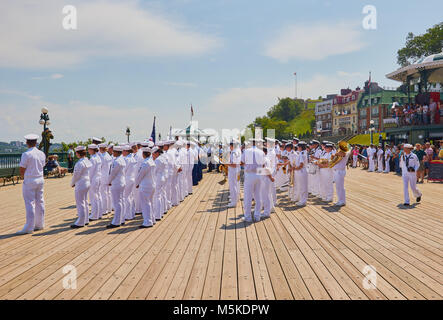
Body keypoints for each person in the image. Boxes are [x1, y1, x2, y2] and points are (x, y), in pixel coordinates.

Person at [18, 134, 46, 234]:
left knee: (30, 203)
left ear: (27, 143)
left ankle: (29, 227)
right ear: (36, 142)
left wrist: (23, 177)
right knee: (40, 201)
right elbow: (42, 165)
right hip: (40, 179)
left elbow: (22, 168)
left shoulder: (26, 154)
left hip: (30, 180)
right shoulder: (41, 153)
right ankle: (40, 224)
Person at [241, 138, 265, 222]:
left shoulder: (246, 151)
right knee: (258, 196)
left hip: (249, 174)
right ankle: (257, 216)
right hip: (259, 174)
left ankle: (248, 217)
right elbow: (263, 164)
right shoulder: (261, 152)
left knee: (248, 196)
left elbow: (242, 162)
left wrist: (247, 165)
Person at [70, 146, 92, 228]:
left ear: (78, 153)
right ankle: (86, 219)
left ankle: (80, 221)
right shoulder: (87, 161)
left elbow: (76, 175)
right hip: (87, 182)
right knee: (85, 202)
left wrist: (72, 183)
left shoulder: (79, 163)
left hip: (81, 184)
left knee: (80, 203)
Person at [135, 147, 156, 228]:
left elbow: (140, 175)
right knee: (150, 203)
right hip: (152, 184)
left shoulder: (145, 163)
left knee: (145, 204)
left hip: (145, 186)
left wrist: (137, 183)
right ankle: (152, 219)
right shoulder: (152, 162)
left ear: (144, 154)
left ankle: (147, 222)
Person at [107, 146, 126, 228]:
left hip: (116, 183)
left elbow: (112, 174)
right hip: (121, 182)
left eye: (114, 151)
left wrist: (109, 181)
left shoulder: (117, 161)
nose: (112, 153)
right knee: (120, 201)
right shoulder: (122, 159)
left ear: (117, 152)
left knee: (117, 203)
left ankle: (116, 222)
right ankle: (121, 219)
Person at [123, 144, 138, 221]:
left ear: (126, 151)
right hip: (132, 178)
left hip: (127, 179)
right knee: (130, 197)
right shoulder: (132, 158)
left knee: (126, 197)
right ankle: (131, 213)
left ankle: (127, 215)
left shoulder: (126, 159)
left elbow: (123, 171)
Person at [88, 144, 102, 221]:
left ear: (92, 150)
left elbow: (91, 172)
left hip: (93, 179)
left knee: (93, 197)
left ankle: (94, 215)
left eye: (89, 149)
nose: (88, 150)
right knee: (98, 196)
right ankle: (99, 213)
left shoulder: (93, 159)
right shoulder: (98, 157)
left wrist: (88, 180)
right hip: (98, 178)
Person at [98, 143, 113, 216]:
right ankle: (109, 208)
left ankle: (104, 210)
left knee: (103, 193)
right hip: (108, 176)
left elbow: (100, 167)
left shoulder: (102, 157)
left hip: (103, 176)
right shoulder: (108, 156)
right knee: (108, 193)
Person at [226, 140, 241, 207]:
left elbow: (234, 164)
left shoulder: (234, 152)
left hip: (233, 171)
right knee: (236, 185)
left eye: (230, 146)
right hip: (237, 170)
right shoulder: (238, 150)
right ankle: (235, 198)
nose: (230, 147)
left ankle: (233, 202)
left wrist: (226, 163)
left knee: (233, 186)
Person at [293, 141, 308, 206]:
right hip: (302, 170)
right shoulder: (303, 152)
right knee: (302, 186)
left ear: (300, 147)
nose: (298, 148)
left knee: (302, 186)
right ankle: (302, 200)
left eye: (298, 147)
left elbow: (301, 164)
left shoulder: (302, 154)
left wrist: (295, 168)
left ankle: (303, 201)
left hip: (301, 170)